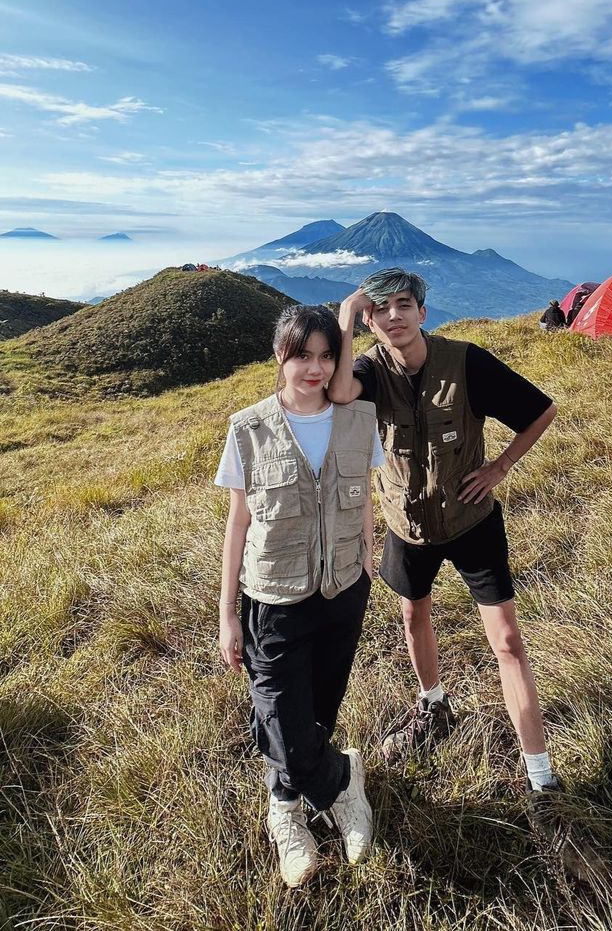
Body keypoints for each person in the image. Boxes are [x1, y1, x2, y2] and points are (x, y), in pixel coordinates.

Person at [330, 269, 562, 811]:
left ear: (422, 313)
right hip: (407, 526)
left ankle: (543, 780)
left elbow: (540, 411)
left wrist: (500, 466)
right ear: (369, 320)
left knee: (506, 641)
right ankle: (433, 705)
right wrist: (345, 314)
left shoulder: (465, 362)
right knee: (414, 616)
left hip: (471, 521)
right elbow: (339, 392)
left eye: (404, 305)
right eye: (380, 309)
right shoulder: (367, 370)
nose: (393, 316)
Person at [216, 304, 384, 887]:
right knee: (284, 722)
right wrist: (227, 616)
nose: (313, 369)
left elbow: (363, 494)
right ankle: (331, 787)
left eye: (325, 357)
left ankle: (290, 795)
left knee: (318, 710)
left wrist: (366, 555)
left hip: (343, 591)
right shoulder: (248, 428)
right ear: (279, 358)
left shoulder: (361, 419)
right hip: (272, 596)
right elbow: (238, 524)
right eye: (301, 356)